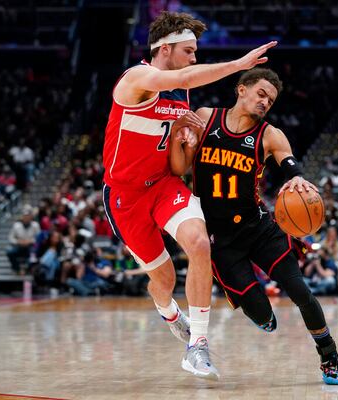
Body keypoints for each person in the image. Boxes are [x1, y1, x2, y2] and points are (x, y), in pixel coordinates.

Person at [101, 11, 277, 380]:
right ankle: (168, 312)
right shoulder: (138, 78)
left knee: (199, 243)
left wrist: (185, 136)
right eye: (189, 51)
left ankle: (197, 344)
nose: (194, 59)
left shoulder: (180, 95)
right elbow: (181, 75)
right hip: (126, 196)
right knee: (162, 280)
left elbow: (179, 169)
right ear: (165, 49)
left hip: (164, 185)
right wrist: (241, 64)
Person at [169, 68, 338, 385]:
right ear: (242, 89)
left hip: (259, 228)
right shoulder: (206, 117)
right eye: (261, 94)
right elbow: (181, 168)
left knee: (301, 292)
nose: (266, 102)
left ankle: (330, 357)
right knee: (261, 314)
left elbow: (290, 165)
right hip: (219, 239)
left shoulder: (270, 135)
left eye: (271, 99)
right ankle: (262, 315)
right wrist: (177, 139)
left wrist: (295, 176)